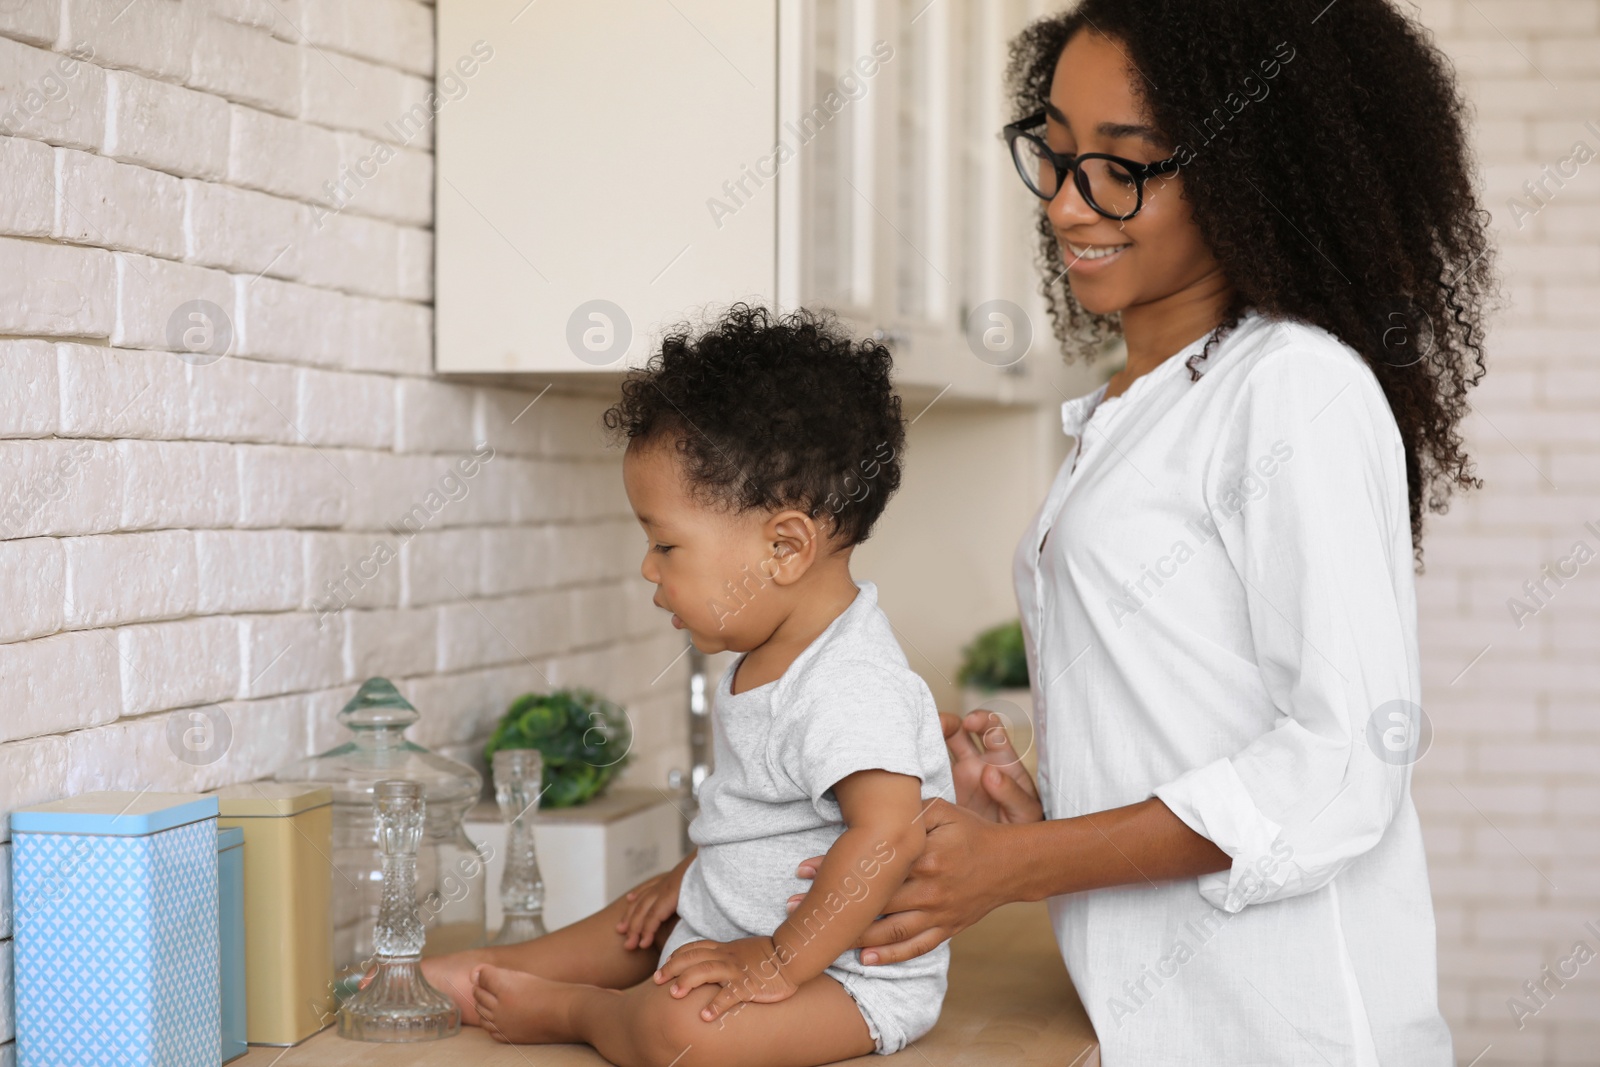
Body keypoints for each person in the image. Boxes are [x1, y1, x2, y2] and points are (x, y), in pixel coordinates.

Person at [784, 1, 1495, 1064]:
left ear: (1252, 171)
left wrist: (1016, 869)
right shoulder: (1137, 403)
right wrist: (1035, 814)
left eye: (1124, 165)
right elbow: (1193, 719)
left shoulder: (1289, 389)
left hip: (1286, 1032)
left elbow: (1343, 763)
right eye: (1057, 156)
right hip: (1157, 1021)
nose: (1070, 206)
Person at [417, 305, 955, 1067]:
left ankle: (576, 1009)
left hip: (842, 980)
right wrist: (693, 876)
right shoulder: (769, 653)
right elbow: (769, 819)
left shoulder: (850, 679)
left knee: (683, 1033)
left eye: (665, 542)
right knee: (638, 917)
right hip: (740, 935)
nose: (648, 568)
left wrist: (774, 958)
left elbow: (886, 835)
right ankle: (492, 969)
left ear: (785, 547)